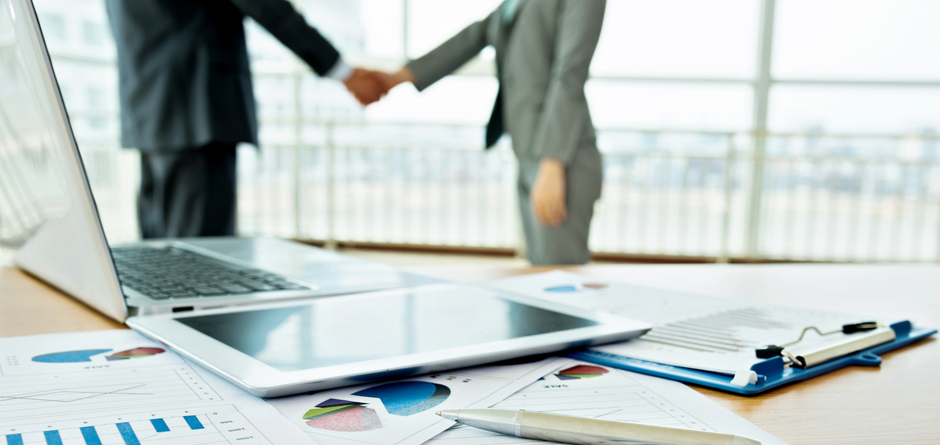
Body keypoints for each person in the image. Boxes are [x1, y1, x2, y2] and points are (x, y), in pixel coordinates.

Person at [106, 0, 385, 239]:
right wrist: (341, 70)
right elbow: (267, 6)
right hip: (198, 101)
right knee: (200, 266)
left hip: (149, 104)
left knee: (160, 258)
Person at [379, 0, 606, 265]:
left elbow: (570, 73)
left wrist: (552, 165)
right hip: (529, 151)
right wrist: (396, 78)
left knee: (559, 273)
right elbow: (475, 36)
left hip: (562, 156)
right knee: (541, 268)